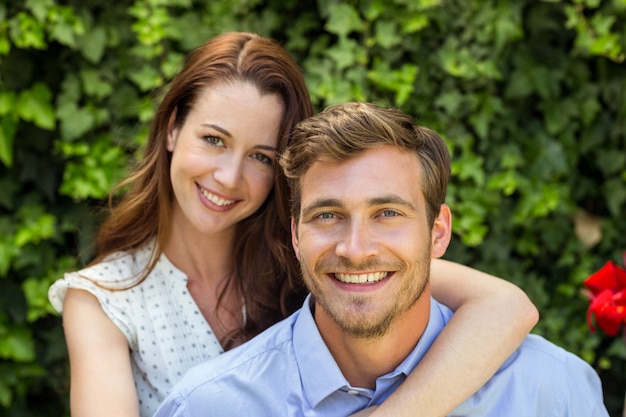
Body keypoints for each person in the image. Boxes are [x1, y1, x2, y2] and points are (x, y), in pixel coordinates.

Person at [48, 33, 537, 417]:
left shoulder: (319, 254)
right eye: (214, 140)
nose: (229, 176)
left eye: (260, 155)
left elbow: (506, 307)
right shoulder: (104, 300)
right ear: (173, 127)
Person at [154, 101, 609, 417]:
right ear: (295, 236)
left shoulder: (551, 391)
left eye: (387, 213)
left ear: (438, 232)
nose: (356, 248)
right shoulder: (208, 406)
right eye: (328, 215)